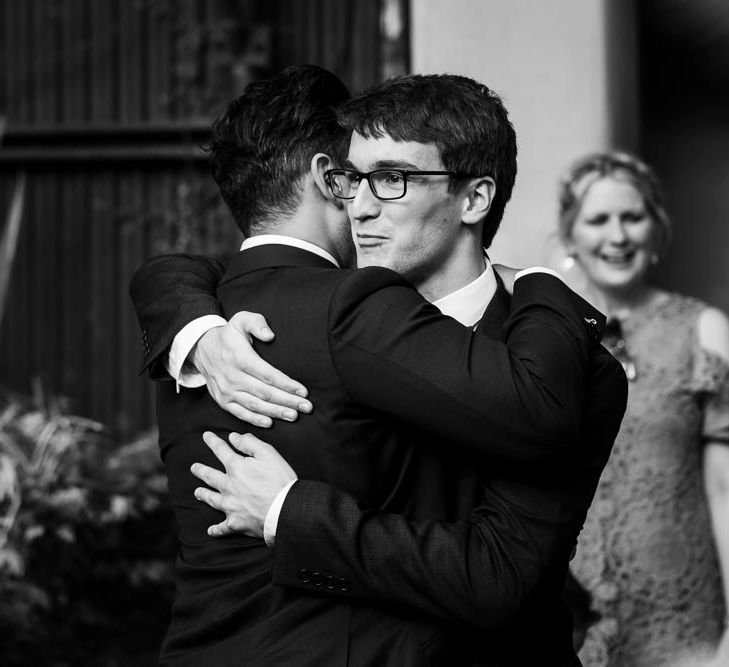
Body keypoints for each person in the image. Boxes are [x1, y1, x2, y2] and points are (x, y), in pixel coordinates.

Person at [130, 67, 627, 666]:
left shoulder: (573, 367)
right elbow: (224, 273)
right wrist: (194, 325)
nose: (360, 206)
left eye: (390, 179)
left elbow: (498, 578)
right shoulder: (277, 319)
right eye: (352, 179)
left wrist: (290, 512)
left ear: (473, 198)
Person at [555, 151, 729, 666]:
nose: (618, 235)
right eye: (598, 220)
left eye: (632, 218)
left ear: (656, 229)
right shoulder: (544, 333)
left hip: (681, 620)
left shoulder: (704, 330)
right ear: (570, 236)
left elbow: (725, 489)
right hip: (569, 619)